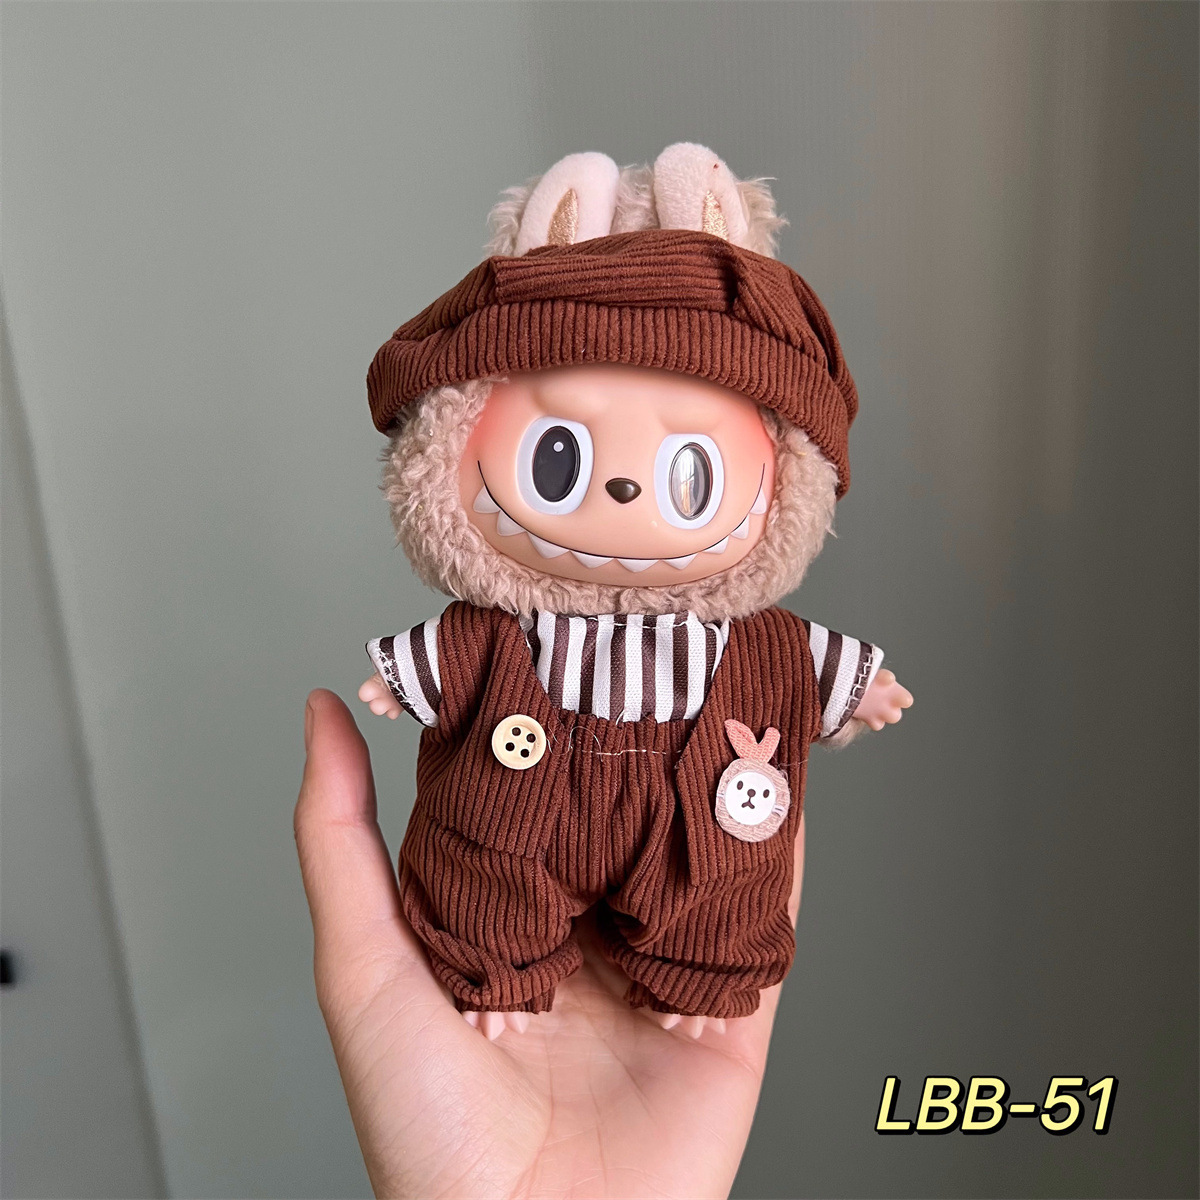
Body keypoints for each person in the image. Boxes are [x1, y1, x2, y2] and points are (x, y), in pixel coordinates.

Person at [295, 687, 809, 1200]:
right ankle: (497, 970)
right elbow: (466, 658)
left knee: (710, 895)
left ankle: (696, 974)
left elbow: (816, 666)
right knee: (490, 885)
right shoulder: (510, 637)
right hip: (529, 799)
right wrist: (414, 679)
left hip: (681, 808)